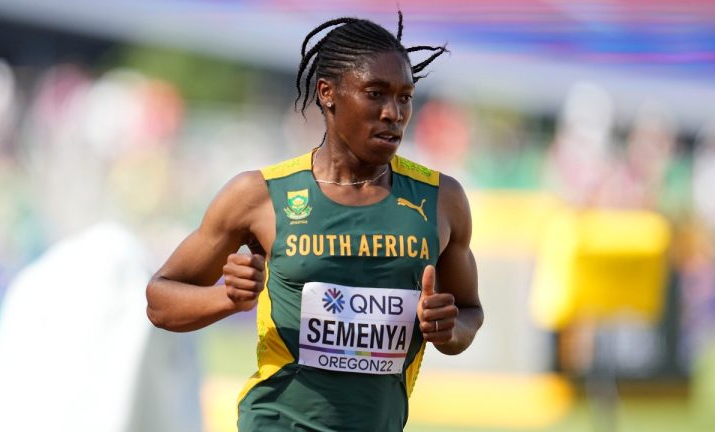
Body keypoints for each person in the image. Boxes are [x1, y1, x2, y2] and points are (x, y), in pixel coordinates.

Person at [146, 11, 483, 431]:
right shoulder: (259, 196)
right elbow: (160, 300)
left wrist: (448, 330)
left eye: (405, 97)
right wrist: (227, 298)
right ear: (328, 93)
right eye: (375, 93)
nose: (393, 112)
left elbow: (469, 312)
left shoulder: (442, 200)